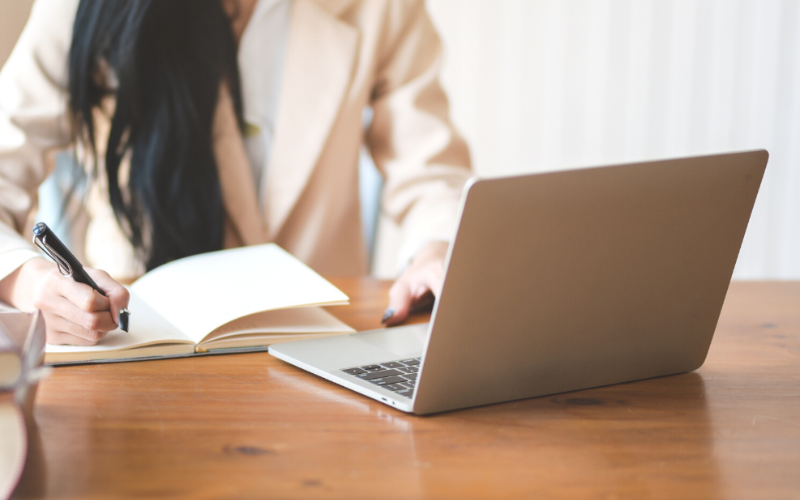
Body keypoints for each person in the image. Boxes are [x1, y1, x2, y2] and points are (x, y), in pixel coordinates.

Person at [0, 0, 472, 345]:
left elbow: (430, 170)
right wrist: (29, 280)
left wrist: (435, 248)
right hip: (139, 345)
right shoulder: (75, 8)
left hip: (321, 345)